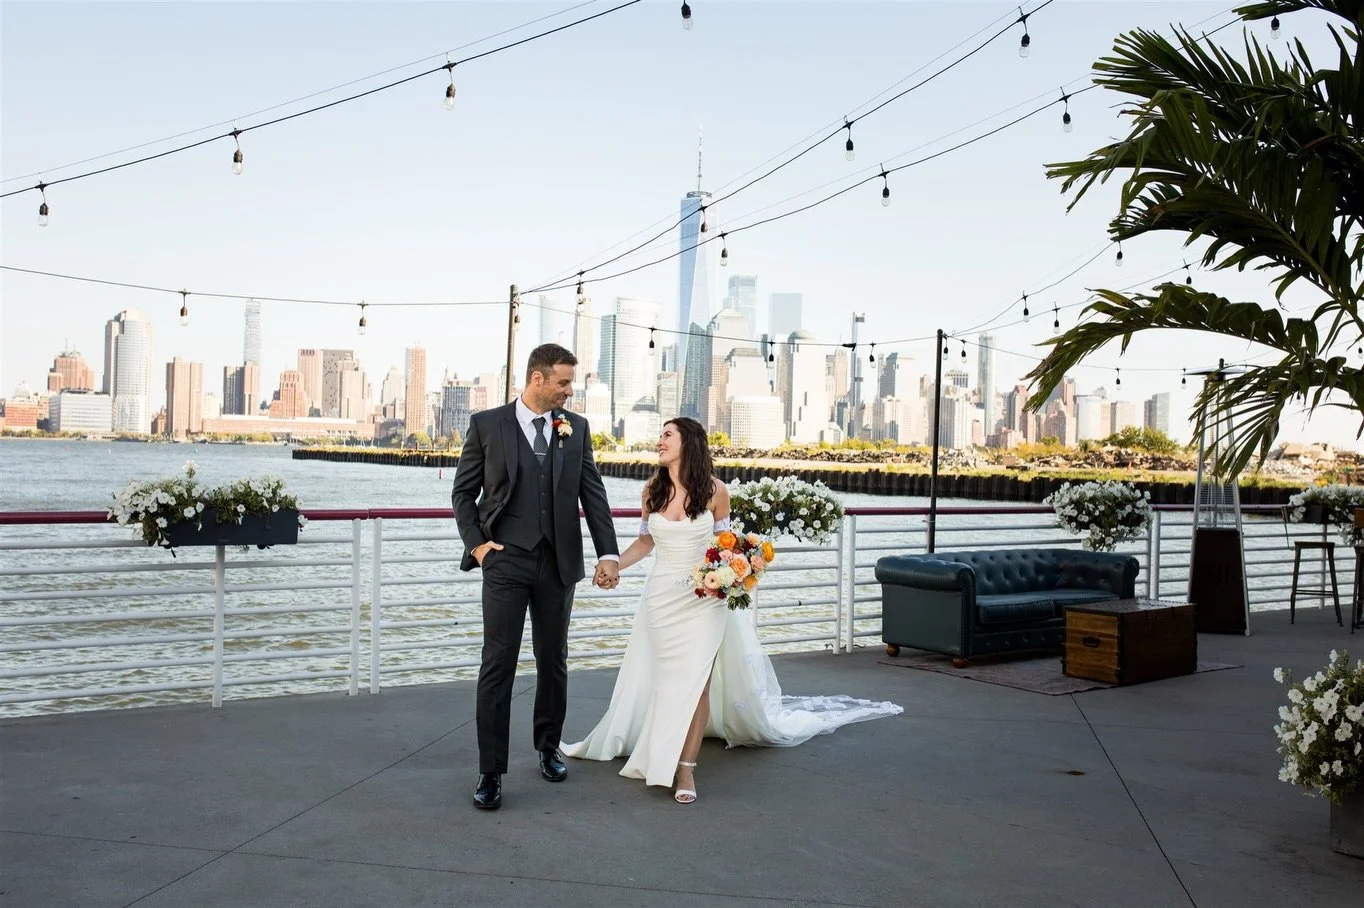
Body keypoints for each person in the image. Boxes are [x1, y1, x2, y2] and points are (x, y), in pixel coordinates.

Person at [563, 417, 901, 803]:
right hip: (660, 599)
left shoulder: (716, 492)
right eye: (660, 436)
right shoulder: (650, 492)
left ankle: (685, 769)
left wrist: (732, 571)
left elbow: (726, 543)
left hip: (704, 599)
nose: (659, 442)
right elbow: (645, 544)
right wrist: (613, 566)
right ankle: (659, 751)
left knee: (698, 682)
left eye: (666, 436)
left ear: (688, 443)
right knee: (668, 680)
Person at [452, 343, 621, 811]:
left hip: (558, 564)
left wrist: (608, 553)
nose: (571, 390)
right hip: (505, 562)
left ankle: (548, 747)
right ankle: (491, 771)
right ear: (538, 379)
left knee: (554, 661)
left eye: (571, 382)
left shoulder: (577, 429)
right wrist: (479, 546)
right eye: (564, 382)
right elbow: (463, 492)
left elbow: (594, 494)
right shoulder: (488, 425)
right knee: (498, 664)